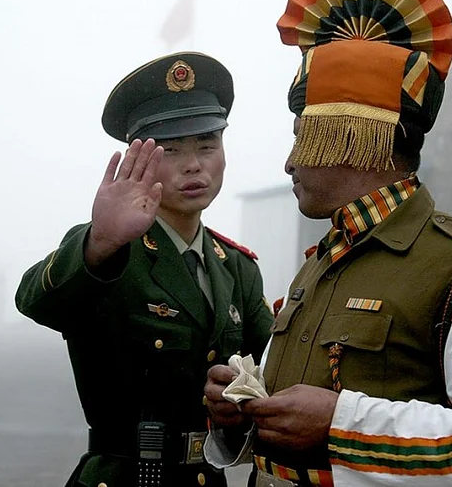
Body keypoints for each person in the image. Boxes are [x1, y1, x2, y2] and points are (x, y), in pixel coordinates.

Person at [204, 0, 452, 486]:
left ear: (350, 135)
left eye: (302, 136)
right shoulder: (320, 264)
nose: (289, 163)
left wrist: (342, 423)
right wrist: (242, 415)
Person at [15, 52, 274, 487]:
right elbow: (35, 301)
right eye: (170, 150)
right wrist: (100, 241)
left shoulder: (237, 267)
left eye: (207, 145)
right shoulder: (110, 250)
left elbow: (271, 369)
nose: (193, 164)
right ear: (139, 160)